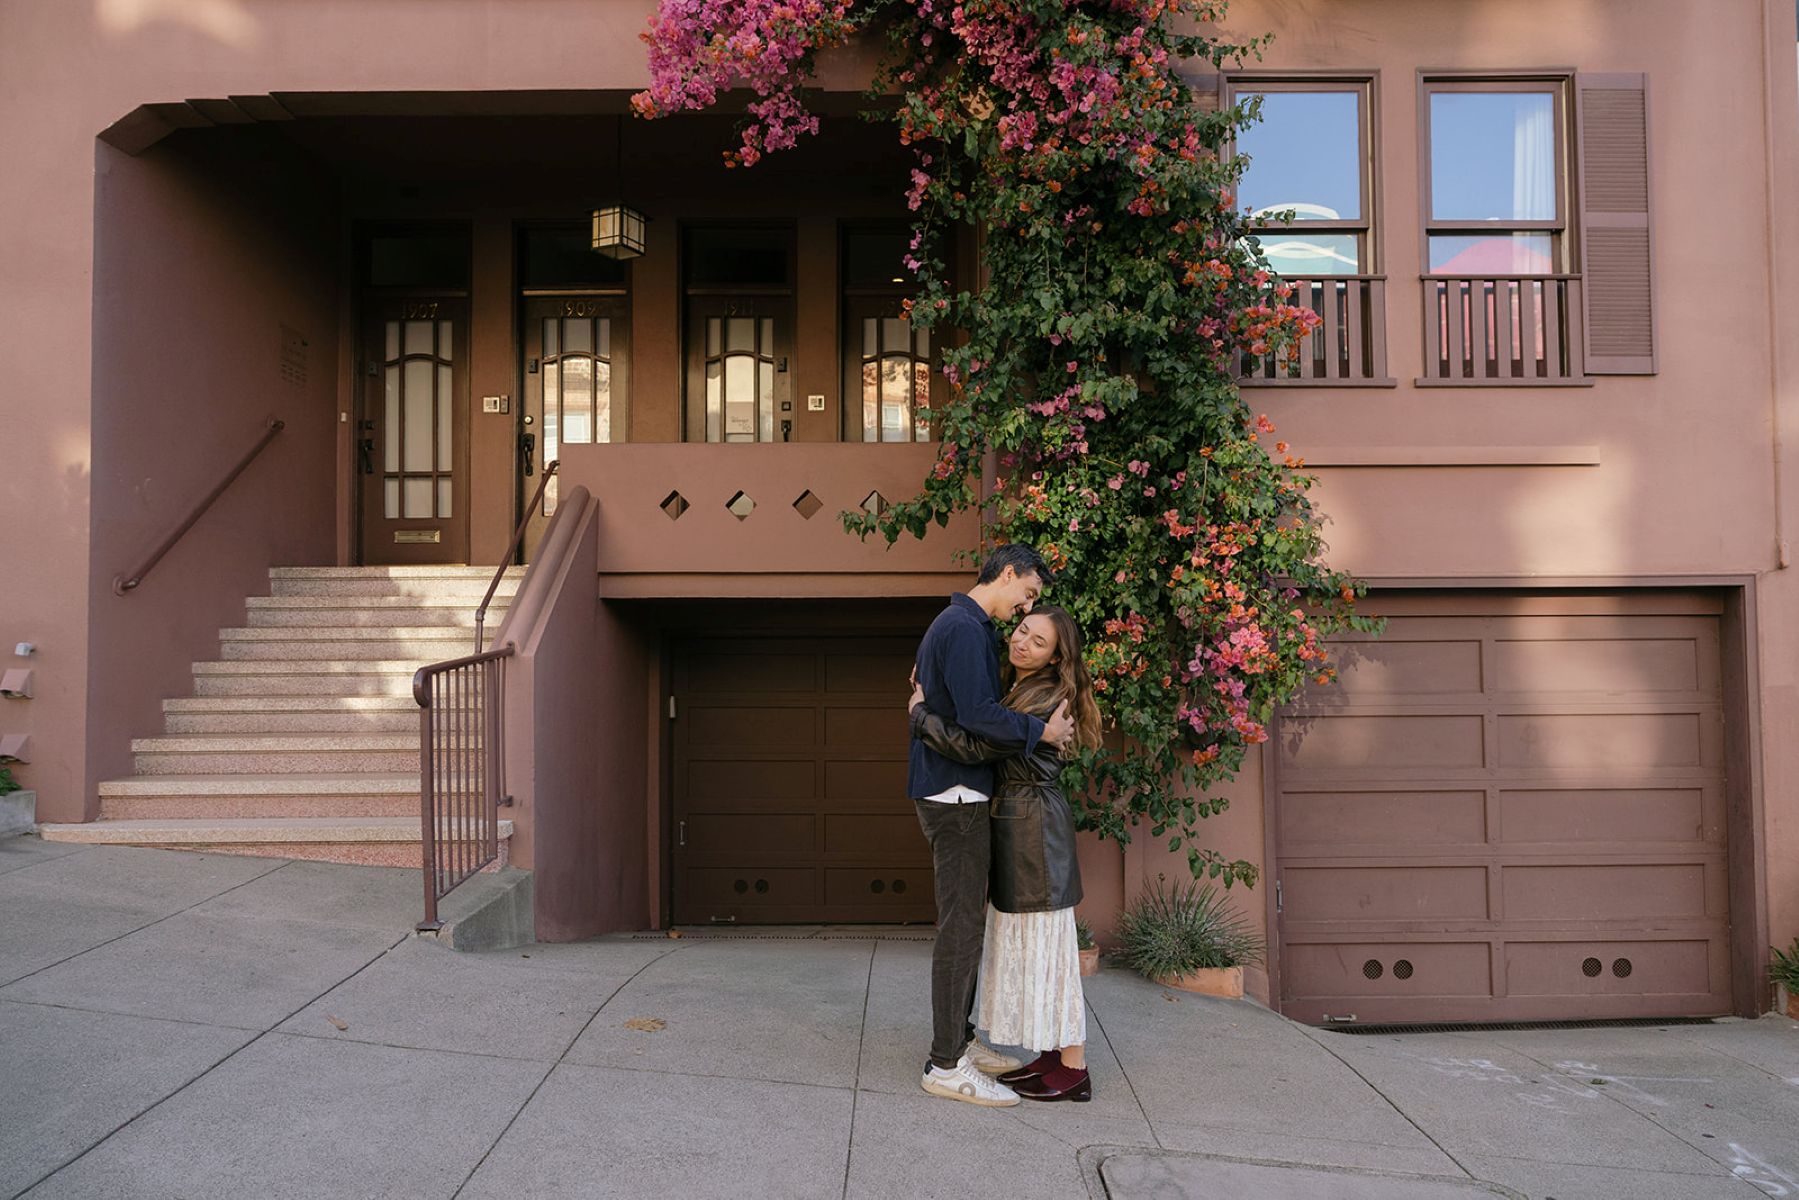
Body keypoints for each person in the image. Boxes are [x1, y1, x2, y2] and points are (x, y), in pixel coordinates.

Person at [910, 605, 1102, 1102]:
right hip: (1020, 824)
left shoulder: (1045, 698)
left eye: (1039, 642)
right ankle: (1051, 1055)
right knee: (1031, 949)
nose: (1022, 643)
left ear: (1056, 657)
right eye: (1022, 631)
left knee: (1050, 950)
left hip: (1035, 832)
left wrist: (921, 715)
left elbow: (976, 747)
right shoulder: (1014, 686)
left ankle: (1074, 1067)